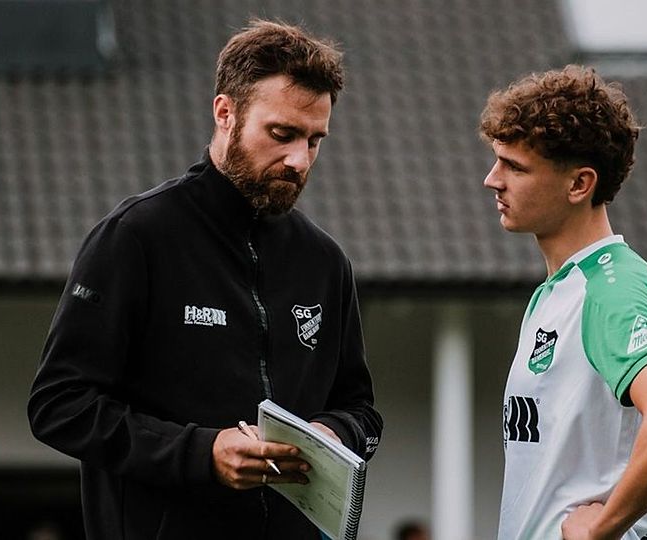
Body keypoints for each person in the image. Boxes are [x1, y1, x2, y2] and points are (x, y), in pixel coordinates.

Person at [28, 19, 382, 539]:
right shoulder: (136, 237)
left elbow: (361, 410)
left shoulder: (325, 261)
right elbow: (59, 406)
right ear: (225, 113)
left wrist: (333, 433)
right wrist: (201, 452)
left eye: (314, 140)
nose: (298, 160)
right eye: (282, 134)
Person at [479, 66, 647, 540]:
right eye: (497, 160)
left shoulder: (610, 285)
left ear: (580, 184)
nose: (492, 180)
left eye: (515, 167)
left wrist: (601, 527)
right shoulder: (561, 289)